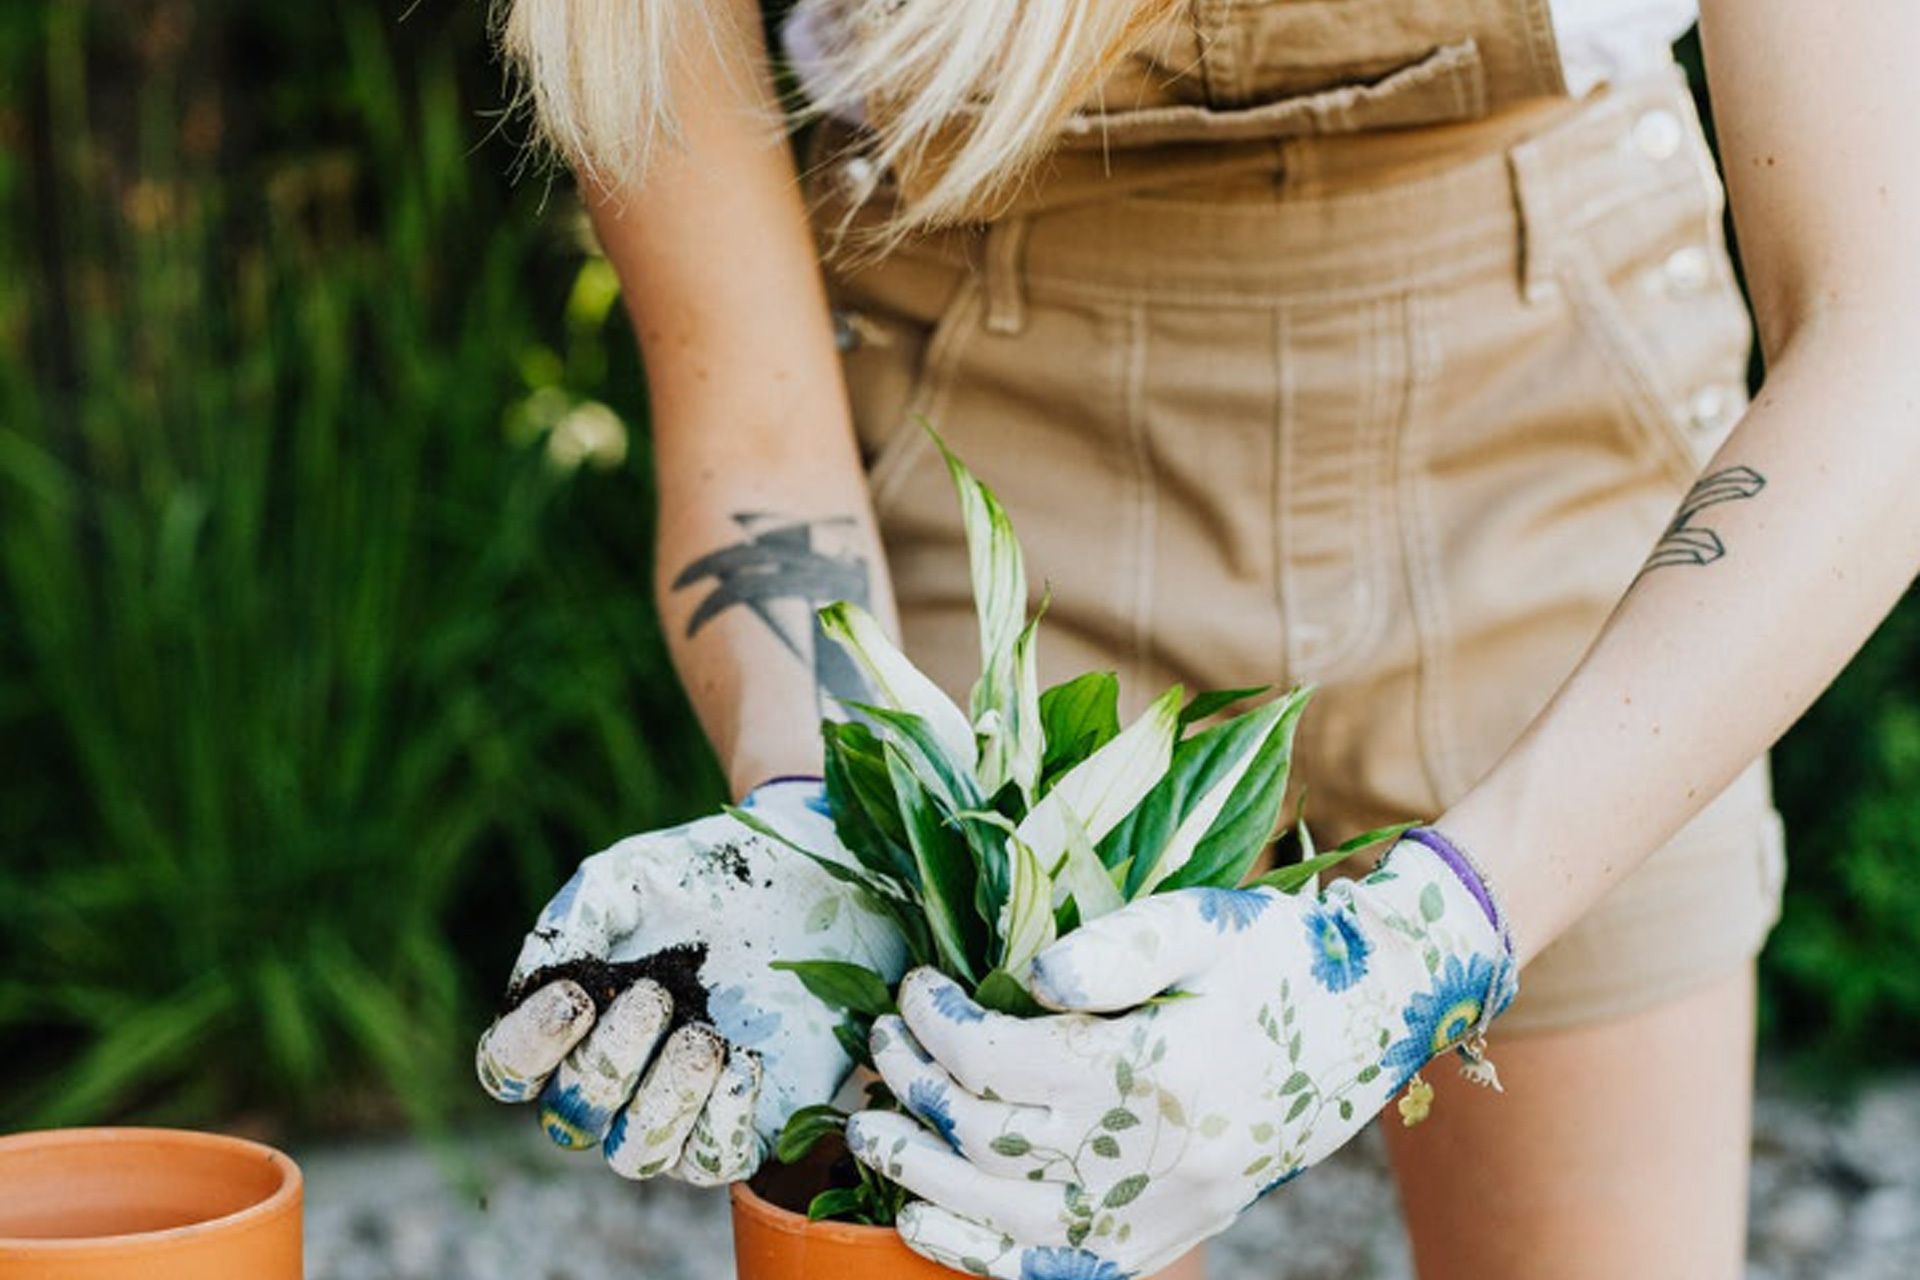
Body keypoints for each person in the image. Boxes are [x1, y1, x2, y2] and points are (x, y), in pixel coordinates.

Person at [473, 1, 1920, 1276]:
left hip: (1555, 428)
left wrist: (1432, 939)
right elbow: (756, 428)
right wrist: (813, 817)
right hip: (1001, 488)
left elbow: (1888, 338)